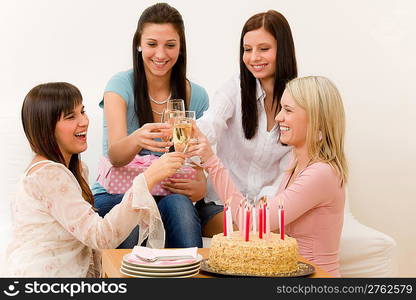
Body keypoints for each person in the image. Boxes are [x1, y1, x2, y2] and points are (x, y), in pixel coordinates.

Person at [2, 82, 184, 277]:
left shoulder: (74, 169)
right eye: (71, 117)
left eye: (82, 111)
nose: (84, 121)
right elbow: (101, 236)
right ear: (47, 128)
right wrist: (148, 178)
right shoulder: (48, 175)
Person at [189, 76, 348, 277]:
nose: (279, 117)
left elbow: (252, 224)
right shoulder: (296, 166)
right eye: (281, 108)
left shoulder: (321, 173)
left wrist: (212, 162)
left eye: (288, 110)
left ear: (316, 118)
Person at [91, 3, 209, 248]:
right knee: (131, 222)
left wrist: (200, 186)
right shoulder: (120, 85)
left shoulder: (196, 95)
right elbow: (115, 156)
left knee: (181, 208)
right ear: (139, 44)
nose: (161, 54)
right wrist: (136, 139)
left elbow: (199, 162)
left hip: (168, 193)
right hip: (117, 193)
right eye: (152, 44)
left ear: (181, 47)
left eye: (170, 45)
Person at [196, 10, 297, 236]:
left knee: (262, 231)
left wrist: (263, 208)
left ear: (283, 50)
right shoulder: (235, 88)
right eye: (247, 49)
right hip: (219, 205)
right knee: (249, 233)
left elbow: (288, 171)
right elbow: (211, 123)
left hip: (267, 208)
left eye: (264, 49)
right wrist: (189, 131)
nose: (253, 58)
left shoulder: (298, 101)